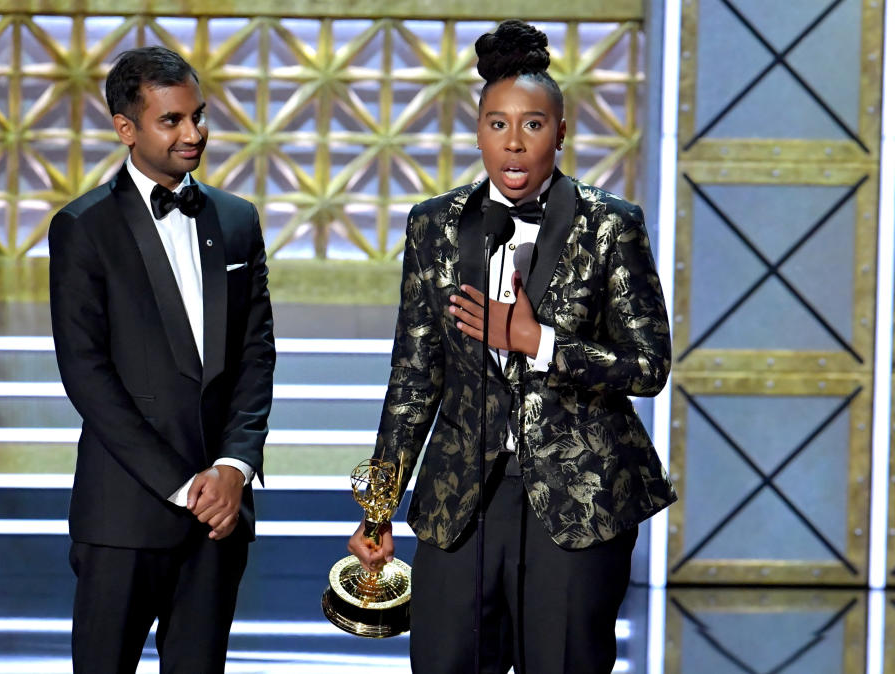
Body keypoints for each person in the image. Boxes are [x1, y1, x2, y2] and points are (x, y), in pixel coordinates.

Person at [347, 20, 676, 674]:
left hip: (579, 500)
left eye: (532, 124)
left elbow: (649, 365)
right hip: (461, 498)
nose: (514, 143)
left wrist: (539, 341)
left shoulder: (611, 225)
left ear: (560, 130)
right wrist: (378, 505)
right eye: (497, 124)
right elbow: (414, 376)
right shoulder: (433, 225)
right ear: (477, 131)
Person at [49, 46, 275, 673]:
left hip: (218, 521)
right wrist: (184, 486)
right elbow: (87, 375)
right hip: (123, 515)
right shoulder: (83, 227)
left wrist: (232, 468)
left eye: (197, 116)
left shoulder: (236, 220)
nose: (193, 133)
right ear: (126, 128)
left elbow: (256, 357)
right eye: (171, 120)